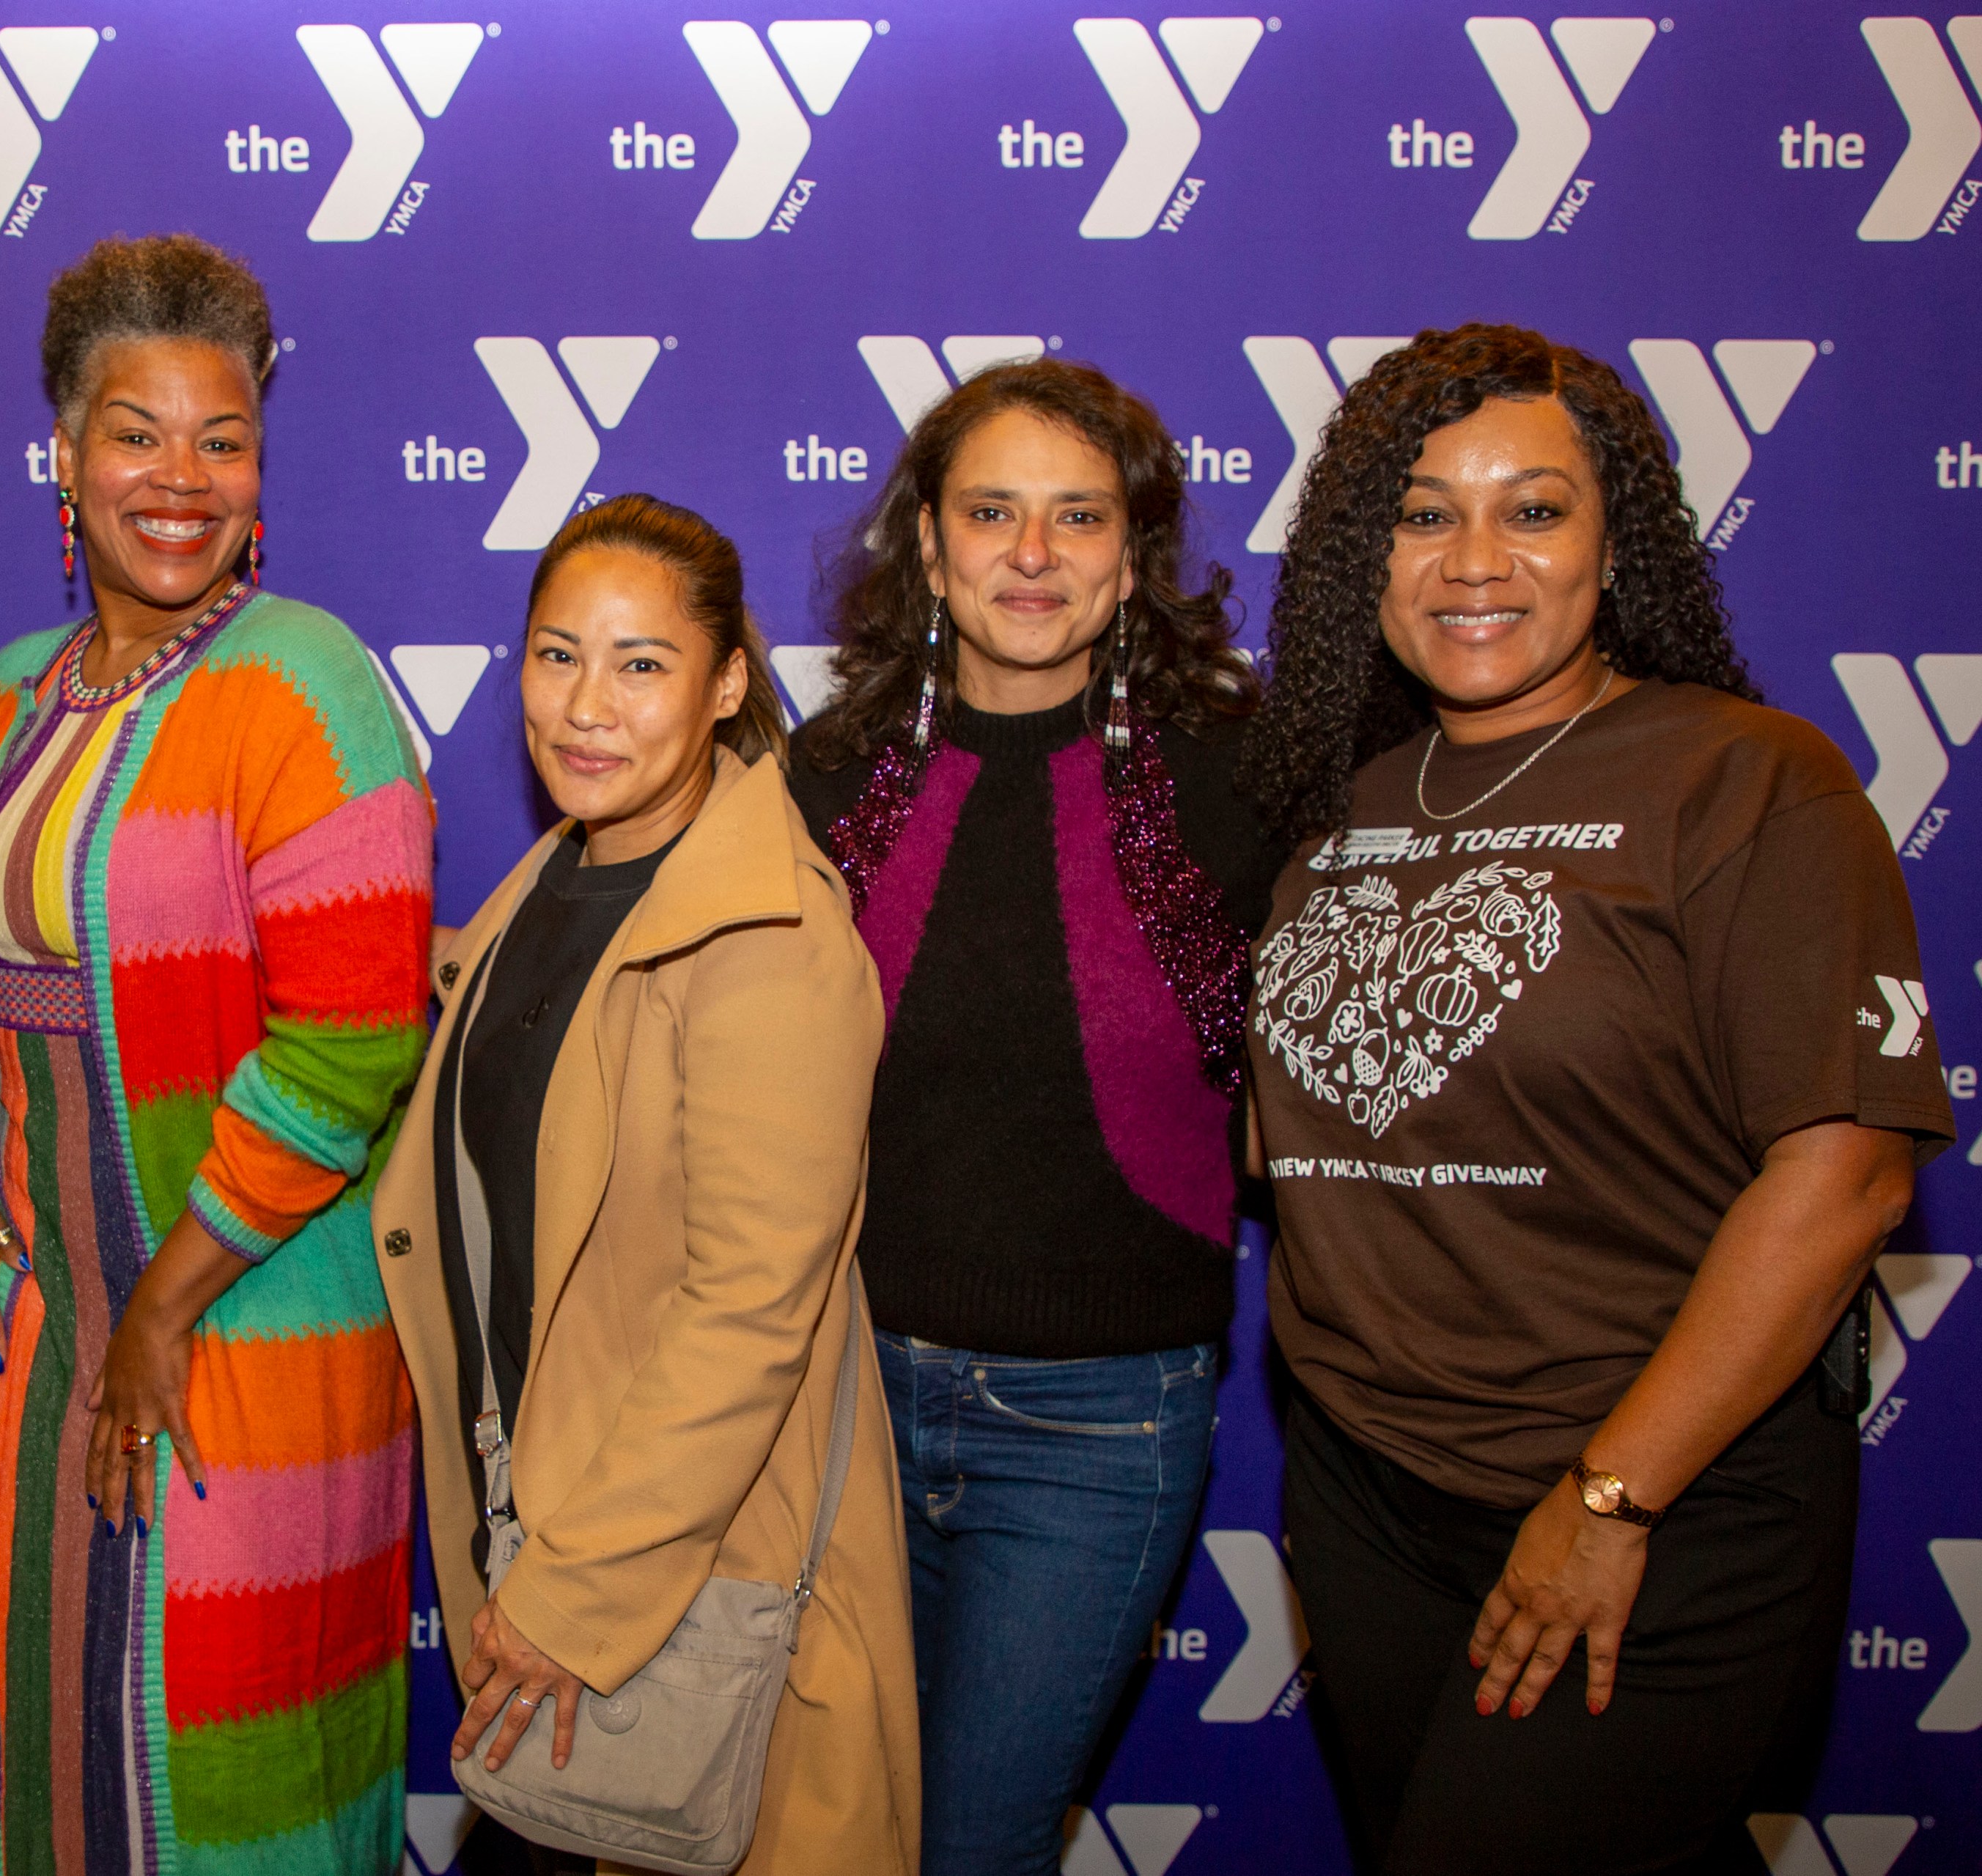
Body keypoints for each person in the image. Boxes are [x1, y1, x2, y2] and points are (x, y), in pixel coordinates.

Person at [1239, 323, 1954, 1874]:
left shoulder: (1750, 780)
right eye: (1424, 513)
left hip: (1654, 1493)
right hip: (1372, 1488)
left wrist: (1609, 1495)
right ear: (1366, 551)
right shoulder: (1336, 803)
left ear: (1616, 539)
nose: (1473, 559)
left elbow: (1846, 1176)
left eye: (1534, 507)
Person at [0, 235, 432, 1876]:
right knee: (44, 1747)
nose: (180, 479)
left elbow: (348, 1051)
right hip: (25, 1346)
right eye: (137, 431)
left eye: (223, 438)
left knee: (226, 1779)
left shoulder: (309, 687)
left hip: (241, 1334)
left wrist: (164, 1302)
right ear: (64, 449)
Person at [374, 493, 920, 1875]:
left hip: (665, 1570)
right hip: (547, 1536)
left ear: (728, 680)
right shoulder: (554, 877)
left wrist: (575, 1590)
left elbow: (749, 1311)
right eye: (557, 656)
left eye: (641, 663)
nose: (585, 707)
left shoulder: (770, 934)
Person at [785, 359, 1281, 1874]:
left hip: (1099, 1420)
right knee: (839, 1835)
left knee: (972, 1847)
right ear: (927, 547)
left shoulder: (1242, 781)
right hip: (841, 1398)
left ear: (1134, 552)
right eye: (991, 512)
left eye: (1080, 515)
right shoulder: (824, 776)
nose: (1033, 553)